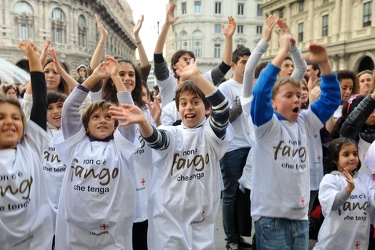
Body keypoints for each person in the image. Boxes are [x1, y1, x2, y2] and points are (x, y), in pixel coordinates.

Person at [110, 58, 233, 249]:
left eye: (195, 102)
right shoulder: (173, 133)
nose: (189, 107)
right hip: (168, 219)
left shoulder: (211, 135)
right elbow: (157, 140)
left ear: (207, 108)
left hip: (201, 220)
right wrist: (143, 123)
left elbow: (223, 110)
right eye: (183, 103)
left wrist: (196, 77)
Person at [249, 18, 341, 249]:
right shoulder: (265, 125)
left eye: (298, 94)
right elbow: (259, 92)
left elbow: (331, 99)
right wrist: (281, 52)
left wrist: (325, 63)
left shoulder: (305, 121)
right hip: (270, 217)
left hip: (299, 216)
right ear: (273, 103)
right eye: (287, 95)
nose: (296, 98)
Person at [52, 56, 138, 249]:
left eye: (109, 117)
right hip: (77, 231)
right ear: (86, 126)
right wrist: (94, 77)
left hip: (112, 232)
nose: (103, 120)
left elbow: (127, 111)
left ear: (117, 125)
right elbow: (70, 107)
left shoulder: (121, 145)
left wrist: (115, 76)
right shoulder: (76, 143)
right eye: (96, 117)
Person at [0, 40, 53, 249]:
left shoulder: (31, 146)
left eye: (15, 117)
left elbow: (40, 102)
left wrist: (33, 59)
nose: (9, 122)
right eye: (1, 117)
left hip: (37, 242)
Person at [154, 2, 233, 110]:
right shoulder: (168, 83)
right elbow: (158, 57)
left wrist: (228, 39)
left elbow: (225, 66)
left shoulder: (203, 80)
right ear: (175, 65)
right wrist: (167, 24)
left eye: (191, 60)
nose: (188, 62)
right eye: (185, 59)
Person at [218, 45, 252, 250]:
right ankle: (230, 239)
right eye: (244, 63)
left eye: (250, 63)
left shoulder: (254, 86)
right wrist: (241, 105)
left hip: (251, 146)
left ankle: (239, 236)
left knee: (245, 195)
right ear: (233, 65)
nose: (247, 67)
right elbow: (223, 118)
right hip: (231, 148)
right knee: (230, 194)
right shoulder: (226, 88)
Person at [313, 137, 375, 250]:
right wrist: (348, 189)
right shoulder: (330, 179)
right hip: (331, 244)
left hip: (358, 244)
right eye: (346, 154)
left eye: (355, 154)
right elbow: (334, 204)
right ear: (335, 159)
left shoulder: (365, 180)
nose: (352, 158)